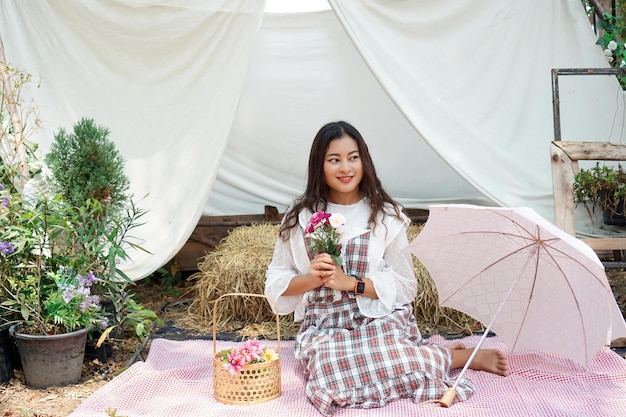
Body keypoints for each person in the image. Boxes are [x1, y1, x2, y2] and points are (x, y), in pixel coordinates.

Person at [265, 121, 508, 415]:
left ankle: (459, 357)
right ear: (320, 165)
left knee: (386, 355)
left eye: (353, 157)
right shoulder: (301, 216)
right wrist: (311, 279)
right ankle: (437, 354)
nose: (345, 168)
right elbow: (277, 281)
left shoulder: (385, 215)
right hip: (325, 325)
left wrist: (351, 284)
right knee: (331, 370)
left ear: (364, 161)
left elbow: (406, 285)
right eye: (334, 160)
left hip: (376, 318)